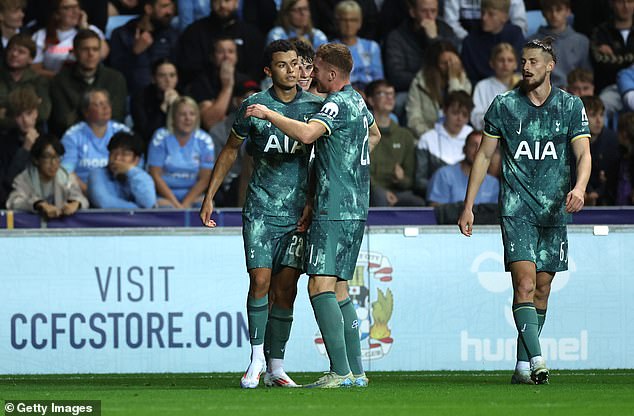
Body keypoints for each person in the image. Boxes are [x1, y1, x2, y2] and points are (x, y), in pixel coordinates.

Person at [243, 42, 381, 388]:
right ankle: (357, 373)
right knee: (339, 290)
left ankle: (339, 371)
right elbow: (374, 134)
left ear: (331, 74)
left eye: (314, 69)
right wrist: (346, 160)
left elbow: (306, 134)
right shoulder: (358, 100)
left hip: (331, 207)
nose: (308, 74)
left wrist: (269, 114)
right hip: (355, 206)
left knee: (319, 285)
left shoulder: (334, 103)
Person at [458, 38, 592, 385]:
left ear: (550, 66)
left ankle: (520, 366)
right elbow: (484, 156)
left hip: (554, 210)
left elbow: (583, 154)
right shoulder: (504, 105)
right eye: (523, 61)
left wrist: (579, 188)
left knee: (543, 289)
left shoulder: (570, 106)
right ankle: (537, 359)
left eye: (533, 61)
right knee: (525, 284)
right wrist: (468, 205)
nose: (526, 67)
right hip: (517, 207)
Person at [199, 40, 323, 388]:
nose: (290, 70)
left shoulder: (314, 107)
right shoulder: (253, 105)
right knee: (260, 282)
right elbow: (230, 151)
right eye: (281, 65)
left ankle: (276, 367)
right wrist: (209, 196)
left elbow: (323, 160)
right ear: (269, 71)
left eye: (294, 64)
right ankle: (255, 360)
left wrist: (313, 202)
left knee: (286, 292)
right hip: (260, 209)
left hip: (298, 213)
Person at [49, 29, 127, 136]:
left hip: (109, 139)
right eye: (85, 49)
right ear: (75, 52)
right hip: (72, 139)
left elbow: (116, 116)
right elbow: (62, 121)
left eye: (95, 49)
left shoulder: (115, 79)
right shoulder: (59, 81)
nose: (91, 54)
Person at [147, 96, 215, 208]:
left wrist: (185, 204)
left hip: (193, 195)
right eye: (182, 114)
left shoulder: (205, 140)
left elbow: (205, 178)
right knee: (164, 206)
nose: (188, 118)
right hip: (164, 195)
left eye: (192, 114)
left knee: (206, 205)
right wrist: (176, 205)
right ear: (173, 117)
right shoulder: (160, 137)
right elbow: (155, 175)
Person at [60, 89, 130, 193]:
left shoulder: (123, 132)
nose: (105, 107)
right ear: (86, 112)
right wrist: (91, 193)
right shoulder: (72, 136)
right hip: (83, 192)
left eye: (107, 103)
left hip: (120, 192)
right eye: (98, 104)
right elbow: (66, 172)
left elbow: (135, 167)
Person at [366, 79, 423, 207]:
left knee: (418, 203)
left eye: (391, 94)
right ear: (370, 100)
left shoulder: (405, 136)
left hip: (398, 192)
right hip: (370, 190)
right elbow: (360, 170)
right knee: (379, 196)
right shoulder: (362, 131)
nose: (389, 98)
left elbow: (410, 180)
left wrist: (401, 179)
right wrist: (381, 191)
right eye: (382, 94)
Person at [6, 133, 89, 218]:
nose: (53, 163)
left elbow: (82, 199)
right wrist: (39, 204)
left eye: (57, 157)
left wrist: (75, 203)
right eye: (47, 157)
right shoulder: (24, 179)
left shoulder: (66, 176)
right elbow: (14, 201)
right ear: (36, 160)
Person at [109, 0, 178, 95]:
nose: (169, 12)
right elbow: (116, 73)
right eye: (164, 6)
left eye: (171, 7)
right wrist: (134, 52)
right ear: (149, 9)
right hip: (132, 96)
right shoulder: (121, 34)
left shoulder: (172, 35)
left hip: (165, 95)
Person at [414, 90, 474, 198]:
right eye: (455, 113)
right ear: (445, 111)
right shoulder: (427, 139)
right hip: (437, 198)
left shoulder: (475, 140)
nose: (459, 118)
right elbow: (419, 181)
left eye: (464, 115)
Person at [406, 40, 471, 138]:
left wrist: (453, 79)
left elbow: (460, 108)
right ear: (435, 65)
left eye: (452, 62)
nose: (449, 67)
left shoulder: (463, 81)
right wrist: (433, 137)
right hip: (427, 137)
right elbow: (413, 120)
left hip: (456, 137)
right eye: (444, 63)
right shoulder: (420, 83)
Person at [31, 0, 108, 79]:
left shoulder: (91, 30)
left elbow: (103, 54)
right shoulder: (41, 35)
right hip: (53, 83)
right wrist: (63, 79)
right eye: (67, 8)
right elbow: (35, 69)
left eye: (76, 7)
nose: (75, 11)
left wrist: (84, 28)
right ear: (56, 14)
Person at [527, 0, 591, 89]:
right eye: (549, 10)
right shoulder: (532, 42)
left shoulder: (581, 41)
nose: (554, 14)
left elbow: (586, 76)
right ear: (543, 13)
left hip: (574, 93)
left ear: (568, 11)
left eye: (559, 10)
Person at [427, 130, 499, 206]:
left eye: (482, 147)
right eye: (473, 145)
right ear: (464, 149)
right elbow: (435, 210)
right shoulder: (444, 175)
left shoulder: (493, 183)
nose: (477, 150)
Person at [461, 0, 525, 85]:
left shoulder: (515, 35)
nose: (484, 18)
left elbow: (521, 67)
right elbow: (470, 77)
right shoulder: (469, 42)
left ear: (504, 17)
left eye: (491, 14)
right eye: (482, 12)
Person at [88, 131, 157, 208]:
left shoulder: (141, 176)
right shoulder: (97, 174)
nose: (117, 159)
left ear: (136, 160)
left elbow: (149, 203)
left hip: (137, 220)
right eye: (113, 153)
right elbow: (103, 202)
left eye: (124, 154)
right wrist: (139, 210)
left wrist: (131, 170)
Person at [0, 87, 42, 208]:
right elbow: (8, 183)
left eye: (28, 113)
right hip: (12, 204)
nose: (24, 120)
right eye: (19, 115)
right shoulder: (4, 144)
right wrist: (25, 149)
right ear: (13, 118)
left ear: (36, 113)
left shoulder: (47, 141)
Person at [0, 33, 50, 130]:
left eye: (21, 52)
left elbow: (43, 113)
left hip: (32, 133)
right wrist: (28, 111)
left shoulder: (39, 81)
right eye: (11, 49)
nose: (14, 54)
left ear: (31, 59)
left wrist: (5, 112)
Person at [331, 1, 383, 91]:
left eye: (353, 20)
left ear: (360, 23)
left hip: (370, 95)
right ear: (337, 22)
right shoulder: (330, 49)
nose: (348, 25)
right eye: (344, 20)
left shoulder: (372, 47)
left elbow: (378, 79)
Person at [130, 58, 180, 149]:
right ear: (153, 78)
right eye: (162, 76)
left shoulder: (184, 96)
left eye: (172, 75)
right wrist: (163, 107)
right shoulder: (140, 97)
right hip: (147, 145)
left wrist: (177, 106)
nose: (168, 80)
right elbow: (146, 132)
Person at [471, 42, 521, 130]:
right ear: (492, 63)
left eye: (510, 60)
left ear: (516, 64)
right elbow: (475, 117)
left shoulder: (524, 83)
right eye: (501, 60)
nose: (505, 64)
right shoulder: (482, 86)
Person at [580, 95, 619, 206]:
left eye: (601, 115)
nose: (598, 120)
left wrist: (597, 192)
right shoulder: (569, 141)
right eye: (593, 115)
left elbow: (613, 178)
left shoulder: (612, 141)